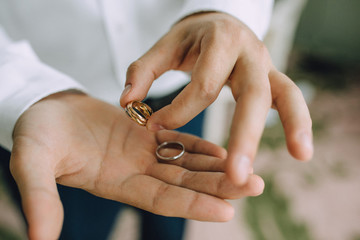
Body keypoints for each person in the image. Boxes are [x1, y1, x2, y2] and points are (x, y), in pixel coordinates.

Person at [0, 0, 313, 239]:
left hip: (184, 91)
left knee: (173, 215)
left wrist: (223, 12)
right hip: (53, 110)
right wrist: (22, 90)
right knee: (77, 229)